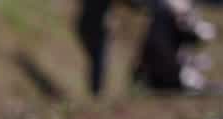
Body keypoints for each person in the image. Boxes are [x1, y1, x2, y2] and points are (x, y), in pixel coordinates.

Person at [76, 0, 214, 96]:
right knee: (98, 61)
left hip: (92, 27)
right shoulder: (166, 19)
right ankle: (97, 94)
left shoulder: (165, 18)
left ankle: (97, 93)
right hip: (95, 28)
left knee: (98, 61)